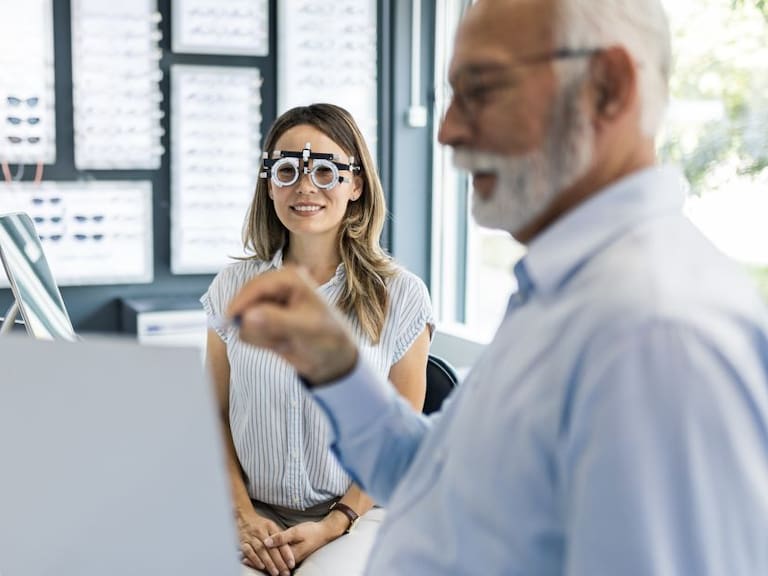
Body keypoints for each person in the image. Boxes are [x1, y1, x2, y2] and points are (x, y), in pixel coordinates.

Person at [226, 0, 768, 574]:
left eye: (482, 89)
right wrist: (335, 368)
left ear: (607, 88)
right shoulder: (563, 291)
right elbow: (439, 476)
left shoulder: (654, 332)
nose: (447, 129)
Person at [201, 103, 433, 576]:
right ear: (269, 185)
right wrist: (244, 517)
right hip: (251, 511)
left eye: (326, 171)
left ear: (356, 185)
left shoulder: (401, 295)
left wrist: (333, 524)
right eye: (287, 170)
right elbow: (213, 415)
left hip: (356, 514)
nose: (305, 187)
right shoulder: (232, 286)